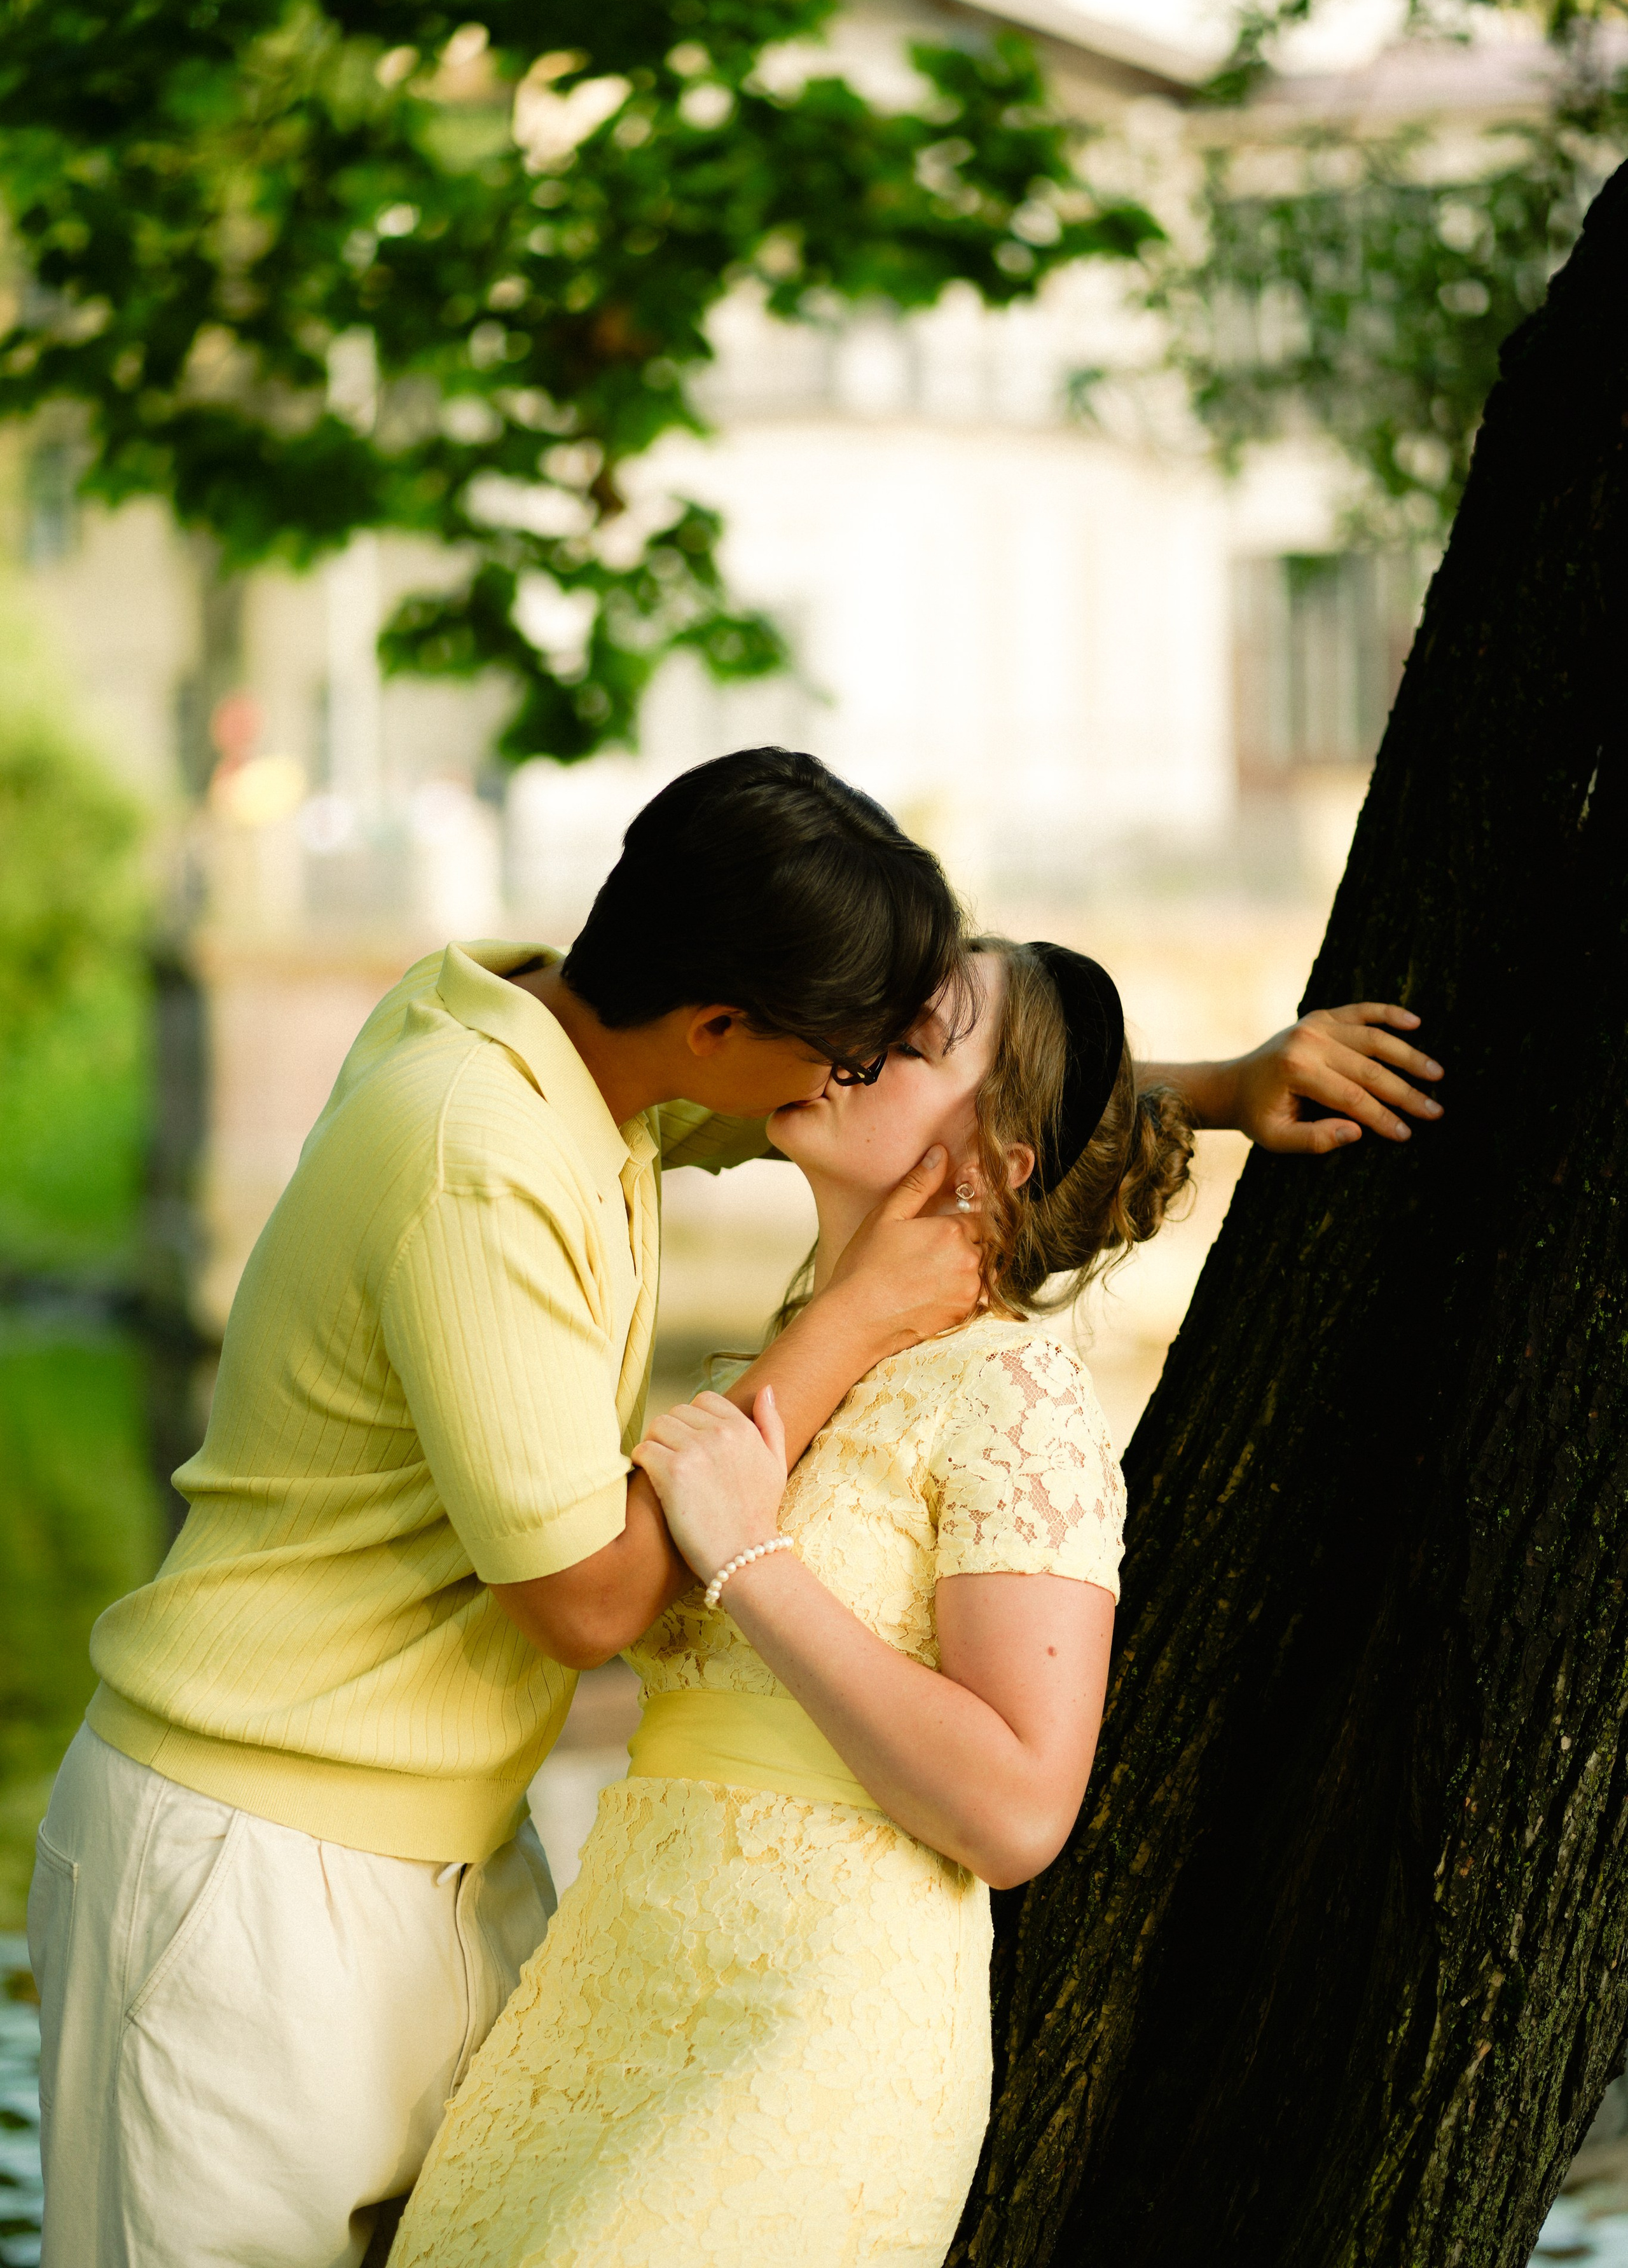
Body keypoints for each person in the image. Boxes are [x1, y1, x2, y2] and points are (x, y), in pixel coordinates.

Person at [29, 741, 1440, 2268]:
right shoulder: (481, 1147)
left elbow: (978, 1102)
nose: (849, 1069)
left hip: (497, 1889)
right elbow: (585, 1604)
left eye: (890, 1043)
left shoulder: (597, 1070)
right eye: (848, 1041)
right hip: (262, 1857)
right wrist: (840, 1326)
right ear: (721, 1029)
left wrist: (1216, 1087)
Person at [387, 933, 1444, 2268]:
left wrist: (749, 1565)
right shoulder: (812, 1338)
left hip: (812, 2032)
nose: (843, 1037)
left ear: (995, 1159)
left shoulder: (1016, 1395)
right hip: (606, 1986)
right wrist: (1218, 1088)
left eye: (908, 1037)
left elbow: (1016, 1810)